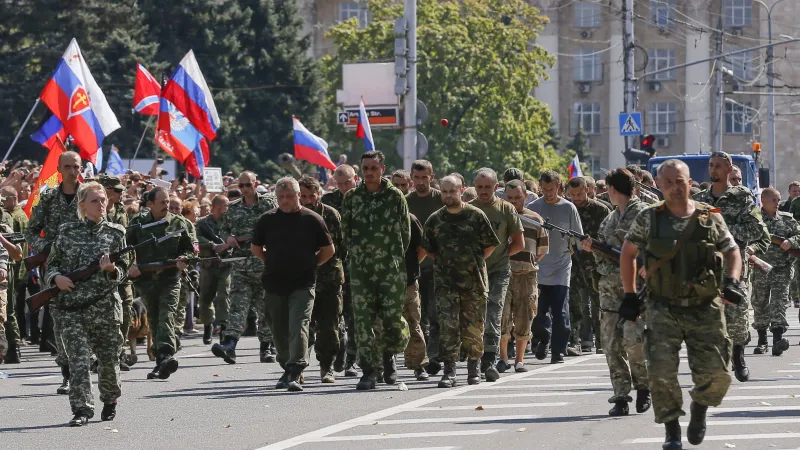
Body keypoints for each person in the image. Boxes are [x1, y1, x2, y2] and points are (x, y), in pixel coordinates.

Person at [621, 159, 745, 449]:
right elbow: (628, 254)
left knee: (717, 373)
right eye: (668, 183)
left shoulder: (710, 217)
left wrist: (733, 281)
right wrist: (629, 294)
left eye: (680, 181)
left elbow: (732, 251)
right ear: (659, 186)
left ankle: (700, 408)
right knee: (661, 373)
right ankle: (672, 431)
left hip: (706, 307)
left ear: (690, 183)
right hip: (663, 306)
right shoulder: (649, 218)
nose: (674, 187)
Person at [45, 182, 129, 426]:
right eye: (95, 200)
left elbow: (125, 270)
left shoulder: (117, 233)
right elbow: (52, 264)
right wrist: (56, 278)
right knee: (78, 361)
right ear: (82, 205)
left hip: (105, 308)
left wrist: (112, 269)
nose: (101, 204)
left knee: (109, 363)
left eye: (103, 199)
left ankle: (110, 399)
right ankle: (82, 409)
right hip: (73, 309)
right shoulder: (67, 231)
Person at [251, 177, 334, 392]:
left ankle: (295, 369)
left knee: (298, 325)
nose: (285, 201)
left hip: (303, 283)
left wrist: (312, 264)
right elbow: (256, 248)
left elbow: (328, 250)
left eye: (289, 196)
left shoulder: (312, 219)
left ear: (298, 195)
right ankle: (287, 365)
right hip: (274, 282)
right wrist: (270, 261)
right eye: (281, 197)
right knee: (278, 329)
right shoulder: (267, 220)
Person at [694, 151, 769, 382]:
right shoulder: (702, 200)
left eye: (718, 165)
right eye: (710, 165)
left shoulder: (741, 196)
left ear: (729, 169)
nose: (713, 169)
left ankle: (738, 355)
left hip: (734, 265)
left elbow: (756, 229)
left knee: (737, 316)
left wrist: (724, 230)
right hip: (707, 266)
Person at [580, 168, 650, 417]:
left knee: (634, 341)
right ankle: (621, 395)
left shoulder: (643, 213)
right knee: (610, 344)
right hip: (609, 289)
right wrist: (593, 248)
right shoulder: (609, 219)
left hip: (637, 292)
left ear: (612, 189)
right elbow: (605, 250)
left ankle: (644, 387)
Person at [341, 151, 410, 390]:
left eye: (373, 168)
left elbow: (406, 234)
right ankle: (369, 370)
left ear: (383, 168)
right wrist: (359, 257)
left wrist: (391, 258)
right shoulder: (352, 197)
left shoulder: (395, 196)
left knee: (391, 319)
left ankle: (390, 356)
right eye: (365, 168)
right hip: (361, 271)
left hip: (390, 271)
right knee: (363, 322)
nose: (369, 172)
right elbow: (345, 232)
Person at [423, 175, 499, 387]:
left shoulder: (476, 215)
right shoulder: (435, 219)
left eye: (452, 191)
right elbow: (429, 249)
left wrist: (473, 261)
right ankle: (450, 371)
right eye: (444, 191)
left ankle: (474, 369)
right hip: (446, 284)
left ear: (462, 190)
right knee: (448, 328)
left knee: (474, 327)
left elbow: (490, 245)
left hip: (473, 283)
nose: (448, 195)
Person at [25, 151, 83, 394]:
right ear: (59, 169)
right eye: (67, 167)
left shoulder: (90, 195)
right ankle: (67, 373)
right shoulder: (48, 198)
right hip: (56, 268)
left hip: (84, 266)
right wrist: (45, 248)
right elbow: (31, 232)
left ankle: (86, 368)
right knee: (60, 322)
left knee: (85, 320)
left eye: (76, 167)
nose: (72, 171)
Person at [127, 187, 197, 380]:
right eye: (162, 202)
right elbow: (124, 248)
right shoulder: (137, 223)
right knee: (155, 318)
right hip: (146, 280)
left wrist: (185, 258)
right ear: (150, 204)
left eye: (168, 202)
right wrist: (131, 265)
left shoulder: (181, 223)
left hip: (170, 278)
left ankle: (165, 354)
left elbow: (192, 250)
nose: (167, 206)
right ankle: (161, 361)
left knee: (167, 315)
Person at [214, 171, 277, 364]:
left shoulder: (268, 204)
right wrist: (228, 238)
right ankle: (230, 345)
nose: (244, 190)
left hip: (264, 264)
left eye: (247, 185)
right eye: (240, 186)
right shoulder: (233, 208)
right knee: (237, 307)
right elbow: (223, 229)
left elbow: (278, 225)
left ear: (255, 184)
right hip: (241, 265)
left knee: (265, 309)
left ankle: (266, 347)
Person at [470, 168, 524, 380]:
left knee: (494, 311)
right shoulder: (469, 209)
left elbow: (518, 243)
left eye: (487, 187)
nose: (483, 191)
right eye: (479, 187)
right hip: (474, 270)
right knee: (474, 313)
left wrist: (501, 255)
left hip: (498, 270)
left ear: (496, 187)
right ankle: (474, 356)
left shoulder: (505, 209)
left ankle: (490, 360)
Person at [529, 170, 583, 364]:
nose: (548, 193)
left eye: (551, 189)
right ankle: (542, 339)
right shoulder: (533, 207)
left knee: (560, 311)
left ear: (559, 187)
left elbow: (577, 237)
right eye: (544, 190)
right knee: (538, 311)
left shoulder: (569, 208)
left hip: (561, 266)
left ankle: (558, 350)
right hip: (538, 266)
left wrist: (569, 254)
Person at [298, 176, 345, 383]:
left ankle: (326, 367)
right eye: (304, 195)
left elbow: (341, 246)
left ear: (319, 193)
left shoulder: (331, 215)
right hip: (301, 277)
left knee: (328, 326)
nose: (308, 199)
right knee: (301, 326)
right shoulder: (294, 216)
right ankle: (298, 367)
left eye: (311, 195)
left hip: (329, 278)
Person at [500, 180, 548, 372]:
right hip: (504, 273)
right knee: (502, 316)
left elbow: (542, 249)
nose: (513, 202)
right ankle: (503, 357)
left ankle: (520, 360)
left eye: (517, 198)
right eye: (510, 198)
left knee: (525, 316)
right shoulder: (500, 217)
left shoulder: (535, 219)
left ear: (525, 197)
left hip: (527, 274)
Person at [405, 159, 444, 374]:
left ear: (432, 176)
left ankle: (435, 356)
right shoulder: (405, 201)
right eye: (416, 177)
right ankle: (421, 360)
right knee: (416, 317)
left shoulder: (441, 199)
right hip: (414, 268)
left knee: (435, 314)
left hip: (438, 266)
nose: (420, 182)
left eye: (424, 177)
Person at [752, 188, 800, 356]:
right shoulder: (754, 219)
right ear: (763, 201)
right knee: (760, 304)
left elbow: (799, 234)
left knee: (779, 303)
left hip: (782, 269)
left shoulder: (787, 220)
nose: (777, 203)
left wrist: (791, 241)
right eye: (774, 200)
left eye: (778, 199)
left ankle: (777, 340)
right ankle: (762, 340)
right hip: (760, 268)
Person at [566, 177, 610, 355]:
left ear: (587, 189)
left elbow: (609, 236)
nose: (576, 197)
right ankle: (574, 341)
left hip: (595, 263)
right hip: (573, 261)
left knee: (598, 303)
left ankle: (601, 341)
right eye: (572, 194)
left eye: (579, 193)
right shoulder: (567, 208)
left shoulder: (600, 209)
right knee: (575, 303)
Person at [323, 164, 359, 376]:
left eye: (348, 182)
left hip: (358, 264)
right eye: (340, 183)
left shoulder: (363, 198)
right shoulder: (328, 203)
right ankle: (339, 353)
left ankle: (351, 359)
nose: (345, 187)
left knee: (354, 315)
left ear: (356, 178)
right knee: (337, 313)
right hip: (335, 266)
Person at [96, 175, 134, 371]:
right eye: (117, 190)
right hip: (99, 270)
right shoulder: (94, 210)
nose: (121, 194)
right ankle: (98, 356)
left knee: (125, 311)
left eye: (122, 191)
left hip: (121, 269)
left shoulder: (121, 211)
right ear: (106, 190)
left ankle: (119, 354)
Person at [195, 195, 232, 345]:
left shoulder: (229, 223)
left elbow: (235, 237)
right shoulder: (202, 223)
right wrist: (212, 245)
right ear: (217, 207)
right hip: (208, 265)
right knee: (205, 298)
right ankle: (208, 325)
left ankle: (223, 327)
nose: (228, 209)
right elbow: (196, 239)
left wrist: (227, 245)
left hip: (225, 265)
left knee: (224, 295)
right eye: (226, 206)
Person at [3, 186, 27, 364]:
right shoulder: (8, 215)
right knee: (10, 309)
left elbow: (17, 251)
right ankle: (13, 348)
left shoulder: (6, 219)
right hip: (10, 267)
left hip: (6, 267)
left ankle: (13, 348)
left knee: (8, 309)